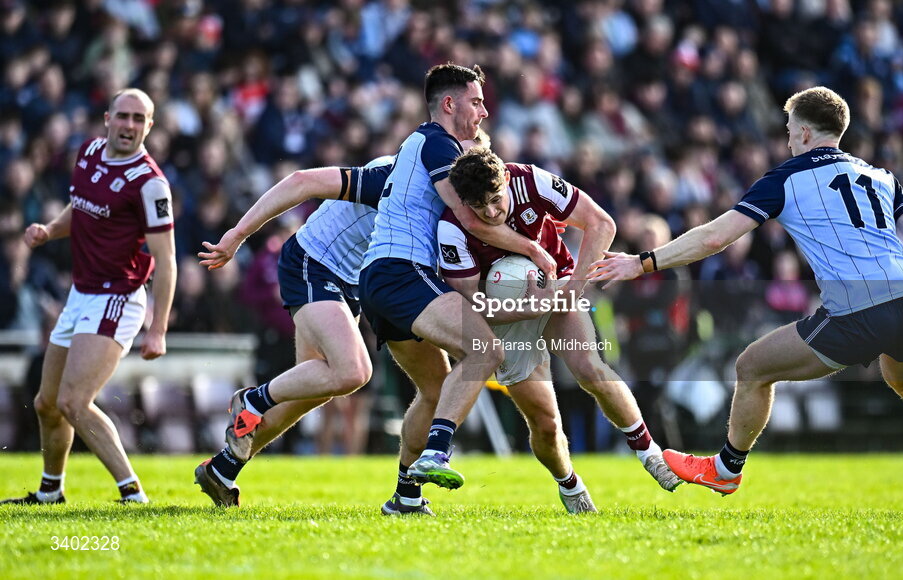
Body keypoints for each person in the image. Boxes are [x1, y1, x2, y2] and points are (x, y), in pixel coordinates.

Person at [589, 86, 903, 512]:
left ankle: (726, 470)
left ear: (808, 133)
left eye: (791, 129)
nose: (788, 138)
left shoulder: (786, 177)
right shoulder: (883, 178)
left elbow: (715, 236)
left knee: (751, 368)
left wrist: (642, 262)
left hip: (856, 306)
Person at [192, 155, 448, 515]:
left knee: (310, 389)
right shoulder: (395, 175)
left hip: (352, 282)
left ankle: (223, 469)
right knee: (353, 372)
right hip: (313, 262)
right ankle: (252, 400)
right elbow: (301, 181)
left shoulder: (445, 195)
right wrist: (238, 234)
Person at [436, 147, 682, 513]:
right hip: (505, 315)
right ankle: (569, 483)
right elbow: (475, 306)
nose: (489, 212)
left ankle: (650, 454)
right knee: (546, 424)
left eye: (494, 200)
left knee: (590, 368)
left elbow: (602, 224)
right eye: (478, 206)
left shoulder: (532, 181)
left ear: (506, 180)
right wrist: (535, 305)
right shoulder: (451, 227)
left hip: (557, 286)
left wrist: (573, 289)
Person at [358, 63, 557, 491]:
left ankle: (405, 496)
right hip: (402, 271)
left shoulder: (423, 144)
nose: (483, 112)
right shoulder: (437, 144)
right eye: (476, 101)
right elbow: (472, 219)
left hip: (382, 276)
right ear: (449, 104)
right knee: (485, 351)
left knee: (434, 392)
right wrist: (533, 249)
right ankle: (436, 452)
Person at [2, 88, 176, 505]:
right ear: (106, 118)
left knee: (74, 401)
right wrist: (49, 229)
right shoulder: (88, 152)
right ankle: (50, 491)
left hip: (118, 297)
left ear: (149, 126)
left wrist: (159, 330)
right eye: (123, 116)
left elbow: (166, 261)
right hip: (81, 293)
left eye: (139, 119)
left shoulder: (150, 184)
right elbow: (79, 208)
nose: (129, 126)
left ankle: (133, 494)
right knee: (47, 403)